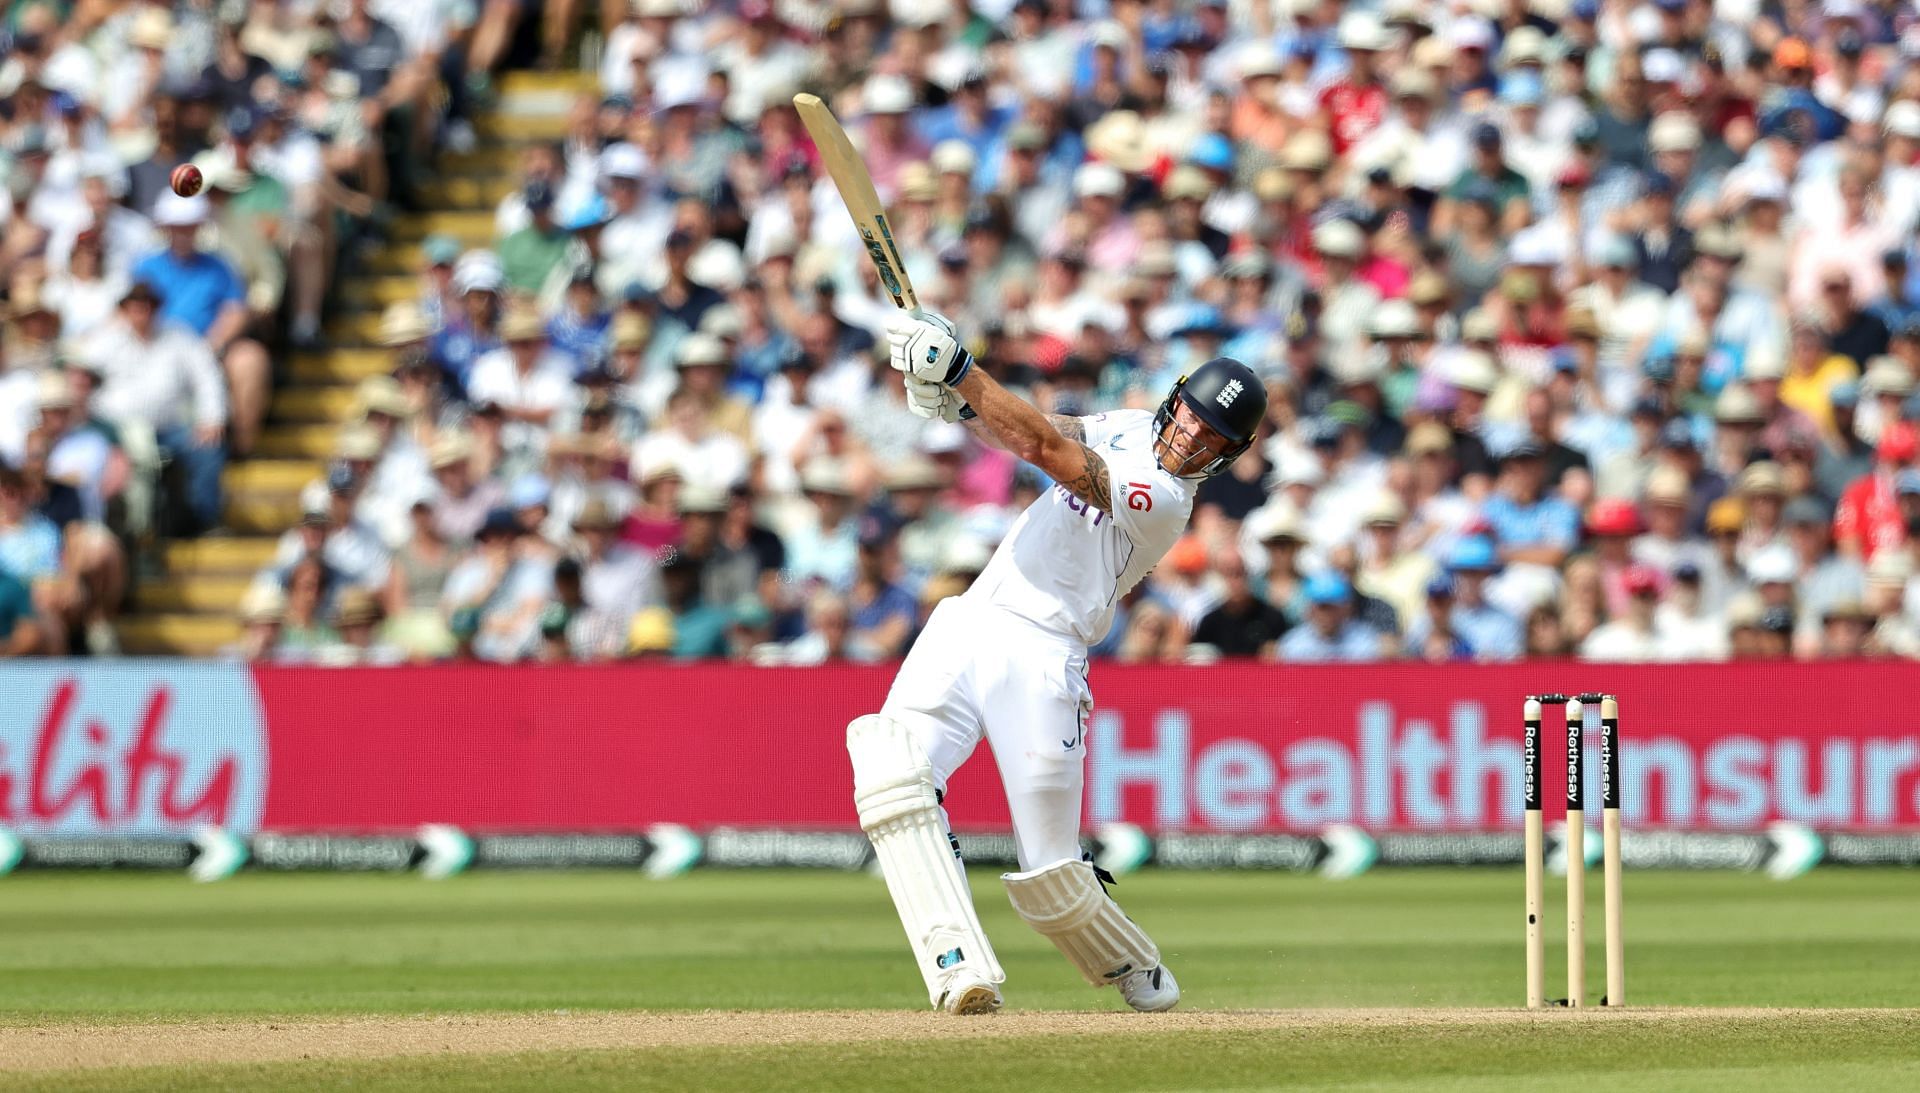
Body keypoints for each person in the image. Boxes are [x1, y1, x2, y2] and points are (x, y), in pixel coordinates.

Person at [850, 308, 1266, 1016]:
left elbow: (1045, 450)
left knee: (1050, 873)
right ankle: (957, 968)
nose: (1191, 435)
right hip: (972, 618)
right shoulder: (1133, 424)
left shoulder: (1165, 500)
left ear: (1226, 455)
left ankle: (1132, 961)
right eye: (1191, 416)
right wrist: (951, 403)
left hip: (1045, 656)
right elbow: (1038, 427)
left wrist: (960, 370)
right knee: (892, 772)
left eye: (1211, 437)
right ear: (1176, 399)